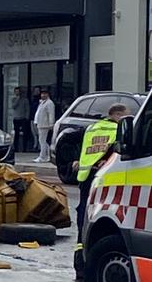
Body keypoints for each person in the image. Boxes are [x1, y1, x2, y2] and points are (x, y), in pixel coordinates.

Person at [71, 103, 129, 281]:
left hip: (86, 179)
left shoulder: (92, 128)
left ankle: (80, 267)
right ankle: (89, 266)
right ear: (117, 115)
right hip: (105, 179)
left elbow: (82, 150)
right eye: (125, 116)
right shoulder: (117, 130)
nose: (127, 119)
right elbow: (120, 152)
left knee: (84, 225)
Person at [33, 88, 55, 163]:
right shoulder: (42, 102)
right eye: (42, 93)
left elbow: (51, 114)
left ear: (48, 94)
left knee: (42, 141)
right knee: (43, 141)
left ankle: (42, 156)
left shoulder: (49, 103)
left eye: (45, 93)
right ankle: (47, 156)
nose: (43, 95)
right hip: (40, 124)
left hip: (45, 125)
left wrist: (51, 124)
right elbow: (38, 113)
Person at [11, 87, 30, 152]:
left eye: (18, 91)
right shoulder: (13, 99)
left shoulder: (25, 100)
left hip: (23, 118)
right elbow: (13, 106)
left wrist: (26, 117)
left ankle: (24, 148)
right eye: (16, 91)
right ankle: (16, 148)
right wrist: (17, 100)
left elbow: (27, 109)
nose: (17, 93)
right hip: (16, 118)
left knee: (24, 133)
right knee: (16, 134)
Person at [30, 86, 41, 151]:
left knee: (39, 133)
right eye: (35, 90)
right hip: (32, 118)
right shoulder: (33, 99)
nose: (36, 92)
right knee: (34, 133)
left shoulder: (40, 101)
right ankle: (35, 145)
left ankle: (38, 147)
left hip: (38, 119)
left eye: (37, 90)